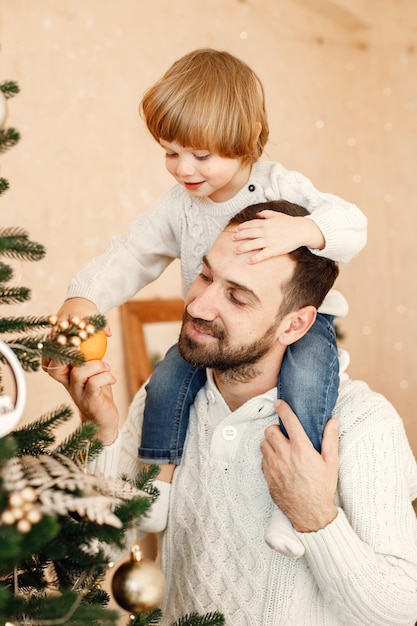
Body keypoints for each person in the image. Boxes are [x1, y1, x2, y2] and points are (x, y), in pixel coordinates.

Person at [49, 48, 367, 556]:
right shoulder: (180, 205)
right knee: (167, 381)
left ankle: (293, 509)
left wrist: (304, 228)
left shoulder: (281, 186)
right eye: (170, 151)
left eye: (200, 155)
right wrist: (84, 294)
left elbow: (353, 224)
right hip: (210, 331)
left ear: (246, 143)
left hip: (300, 328)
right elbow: (132, 253)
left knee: (306, 381)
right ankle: (158, 482)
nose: (182, 168)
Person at [46, 200, 417, 625]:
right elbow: (89, 556)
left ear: (294, 325)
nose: (199, 306)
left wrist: (316, 517)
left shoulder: (362, 422)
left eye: (237, 297)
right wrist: (100, 430)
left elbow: (403, 609)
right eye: (205, 275)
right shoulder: (165, 400)